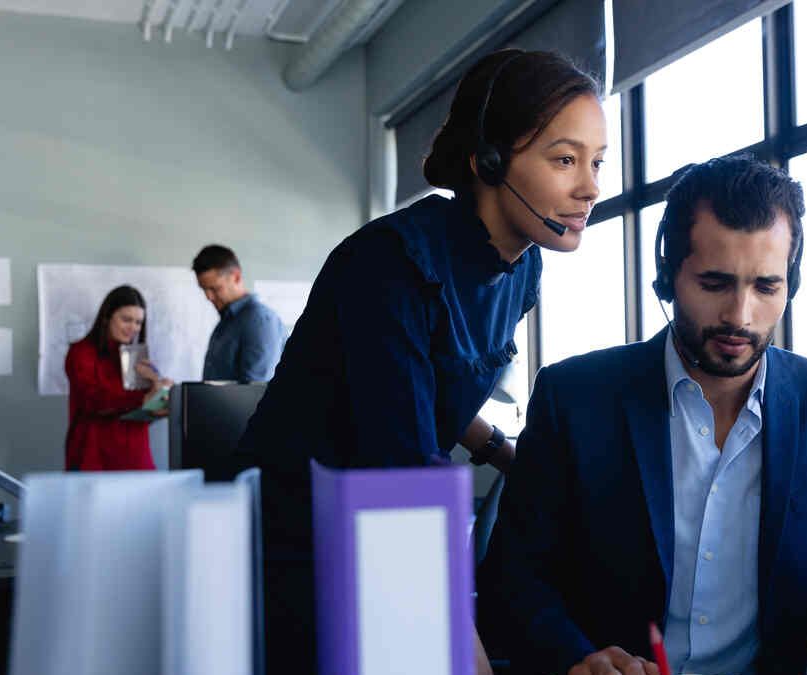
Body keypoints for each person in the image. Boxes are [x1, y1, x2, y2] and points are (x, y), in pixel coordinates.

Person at [233, 49, 607, 673]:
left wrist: (503, 452)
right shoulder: (390, 263)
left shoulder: (522, 269)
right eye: (565, 159)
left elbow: (437, 383)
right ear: (489, 161)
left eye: (597, 162)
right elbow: (398, 461)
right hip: (301, 535)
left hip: (387, 518)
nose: (591, 186)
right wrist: (465, 644)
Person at [477, 156, 807, 675]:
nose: (740, 315)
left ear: (790, 283)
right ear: (668, 273)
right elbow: (514, 581)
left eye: (765, 287)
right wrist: (579, 660)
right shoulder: (573, 398)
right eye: (714, 283)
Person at [64, 285, 173, 471]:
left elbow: (143, 412)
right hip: (93, 457)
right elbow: (92, 401)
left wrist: (160, 394)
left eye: (138, 322)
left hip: (135, 456)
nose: (133, 328)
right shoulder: (81, 352)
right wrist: (142, 399)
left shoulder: (139, 358)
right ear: (107, 318)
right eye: (126, 320)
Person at [193, 244, 287, 383]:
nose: (209, 297)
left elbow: (254, 392)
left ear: (236, 277)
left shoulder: (259, 320)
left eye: (215, 289)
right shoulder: (227, 320)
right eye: (204, 289)